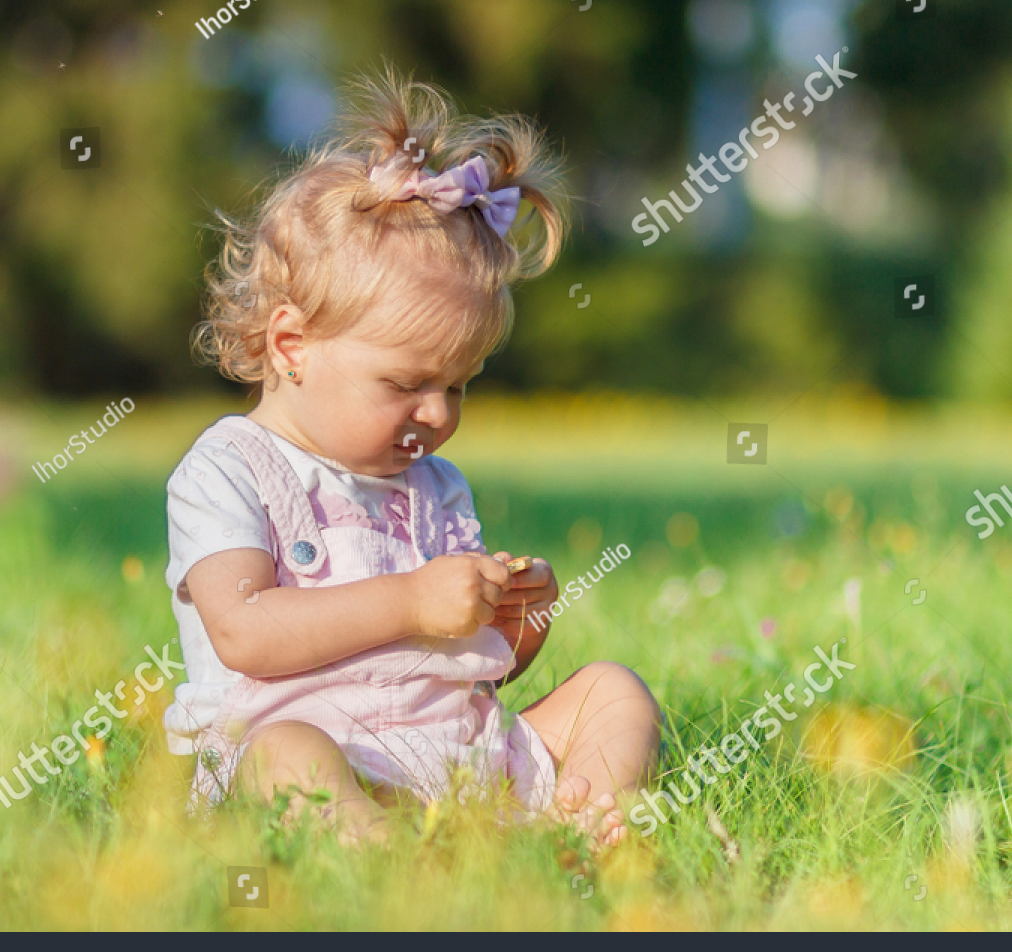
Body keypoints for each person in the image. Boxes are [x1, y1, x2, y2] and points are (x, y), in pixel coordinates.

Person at [163, 69, 661, 849]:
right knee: (282, 757)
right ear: (293, 346)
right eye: (407, 383)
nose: (438, 412)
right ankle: (388, 860)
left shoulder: (435, 485)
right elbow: (245, 634)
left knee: (613, 691)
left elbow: (477, 670)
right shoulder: (227, 468)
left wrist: (515, 619)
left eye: (459, 384)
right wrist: (411, 601)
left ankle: (578, 837)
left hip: (456, 761)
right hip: (319, 749)